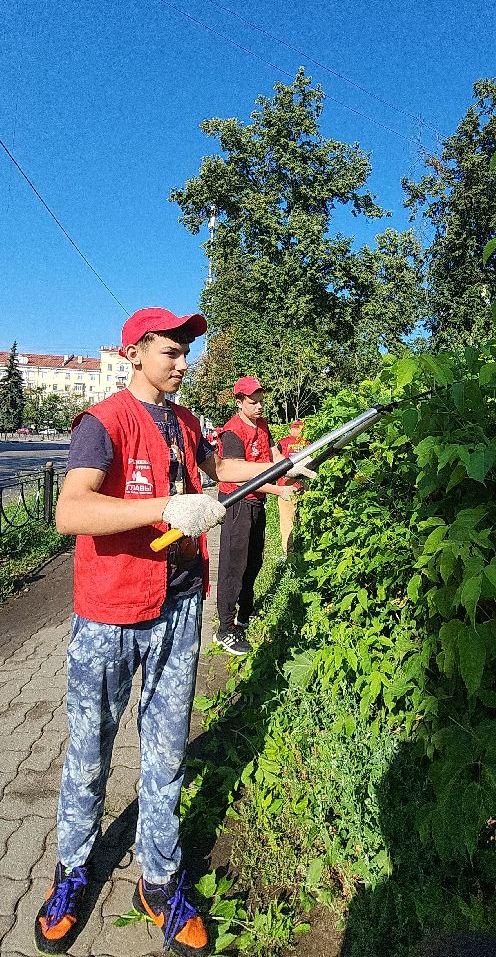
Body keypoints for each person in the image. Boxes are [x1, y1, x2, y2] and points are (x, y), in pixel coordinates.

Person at [34, 309, 311, 957]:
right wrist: (161, 508)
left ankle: (157, 881)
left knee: (165, 761)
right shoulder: (103, 423)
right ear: (134, 353)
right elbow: (68, 510)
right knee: (89, 757)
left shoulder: (187, 424)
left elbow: (222, 473)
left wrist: (285, 472)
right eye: (171, 351)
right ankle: (72, 873)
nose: (184, 362)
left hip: (180, 609)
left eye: (188, 351)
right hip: (109, 614)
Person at [213, 377, 296, 656]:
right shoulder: (232, 433)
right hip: (237, 502)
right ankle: (225, 629)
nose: (259, 406)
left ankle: (244, 614)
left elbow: (273, 458)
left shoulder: (262, 425)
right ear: (239, 402)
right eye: (253, 402)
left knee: (254, 559)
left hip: (257, 502)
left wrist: (292, 471)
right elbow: (242, 478)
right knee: (233, 565)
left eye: (261, 401)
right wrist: (278, 491)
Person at [276, 419, 307, 553]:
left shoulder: (282, 443)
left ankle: (288, 552)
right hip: (302, 486)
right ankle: (305, 548)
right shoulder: (308, 443)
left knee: (286, 521)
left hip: (285, 487)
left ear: (291, 429)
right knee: (304, 519)